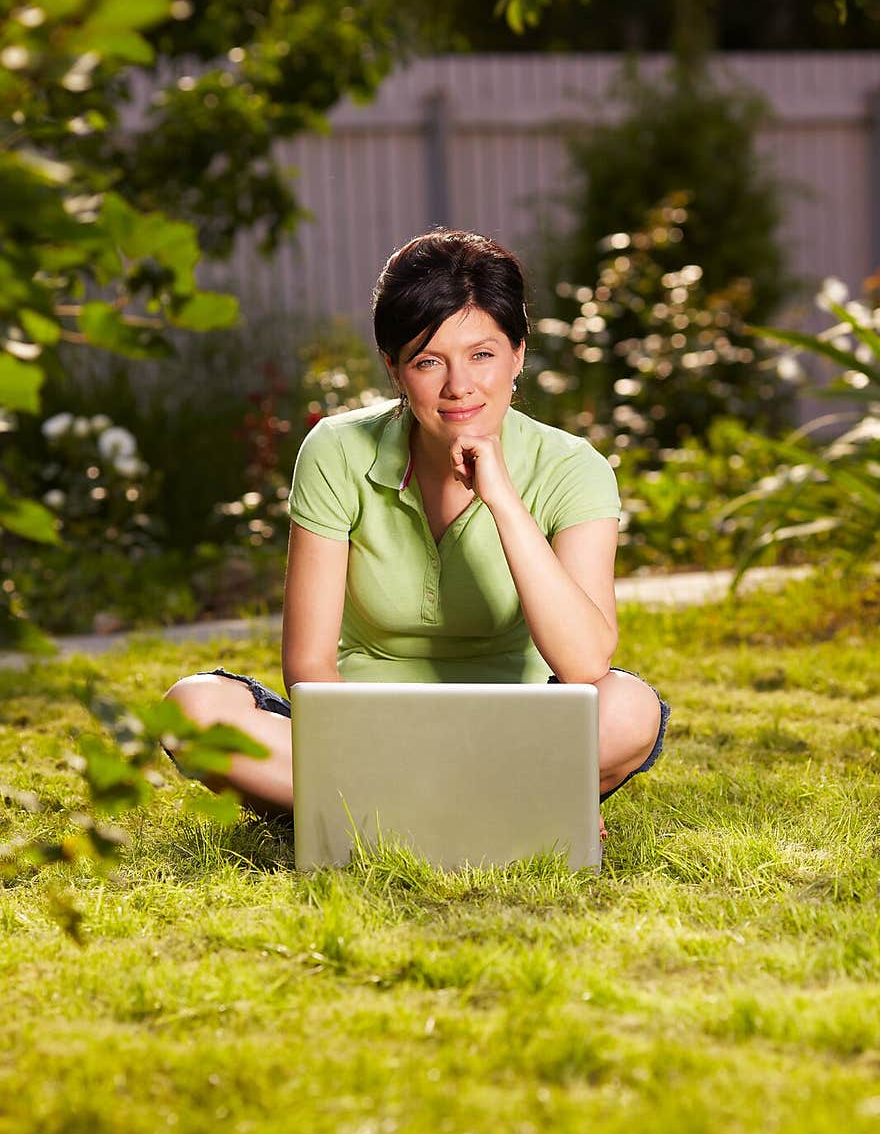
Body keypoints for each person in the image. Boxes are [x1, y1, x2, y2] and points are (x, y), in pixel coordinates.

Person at [163, 228, 670, 838]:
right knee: (193, 709)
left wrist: (503, 500)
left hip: (519, 729)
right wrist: (385, 756)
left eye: (483, 354)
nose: (460, 387)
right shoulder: (337, 449)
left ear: (519, 354)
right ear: (395, 370)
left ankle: (369, 813)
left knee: (629, 709)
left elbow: (585, 661)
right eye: (429, 361)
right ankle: (507, 807)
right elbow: (307, 665)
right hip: (359, 733)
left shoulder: (572, 467)